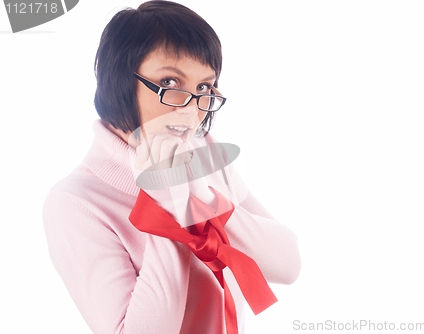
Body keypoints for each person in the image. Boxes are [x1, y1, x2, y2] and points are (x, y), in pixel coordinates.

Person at [43, 1, 301, 333]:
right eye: (169, 82)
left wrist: (199, 197)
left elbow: (287, 265)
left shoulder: (202, 152)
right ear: (120, 79)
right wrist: (166, 205)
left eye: (203, 88)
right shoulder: (76, 202)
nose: (190, 111)